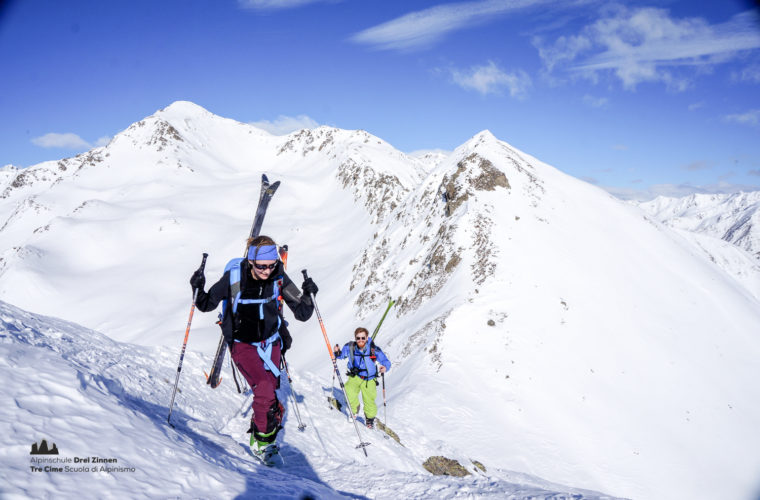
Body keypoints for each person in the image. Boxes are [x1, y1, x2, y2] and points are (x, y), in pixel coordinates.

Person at [189, 235, 318, 458]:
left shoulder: (279, 277)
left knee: (269, 392)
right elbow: (206, 304)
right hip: (243, 343)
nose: (267, 271)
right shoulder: (235, 277)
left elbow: (303, 313)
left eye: (271, 265)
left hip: (271, 342)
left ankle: (262, 425)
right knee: (265, 389)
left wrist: (308, 295)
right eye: (261, 267)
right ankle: (262, 444)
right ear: (250, 261)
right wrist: (197, 287)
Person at [333, 327, 391, 429]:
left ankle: (369, 419)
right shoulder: (350, 347)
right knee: (348, 390)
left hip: (369, 379)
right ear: (355, 338)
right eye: (358, 338)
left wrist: (385, 367)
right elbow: (341, 355)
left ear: (367, 337)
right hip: (355, 376)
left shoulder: (373, 349)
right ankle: (354, 410)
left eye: (363, 338)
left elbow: (385, 361)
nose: (360, 340)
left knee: (369, 400)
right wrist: (337, 352)